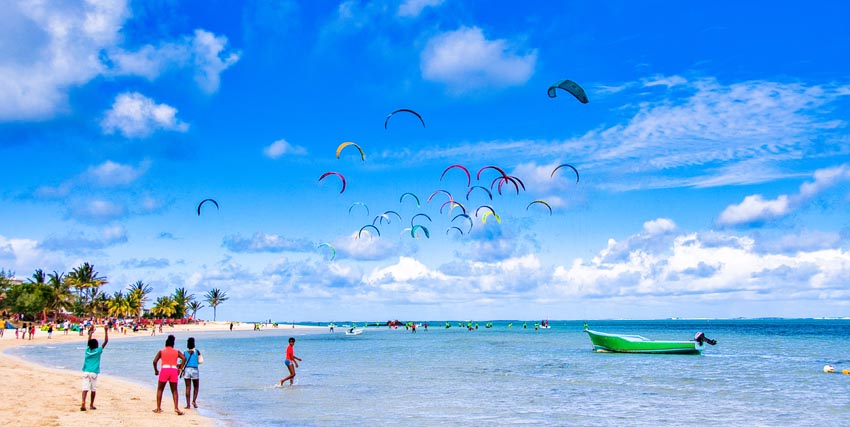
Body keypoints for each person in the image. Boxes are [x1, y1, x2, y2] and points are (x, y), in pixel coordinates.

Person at [152, 334, 186, 415]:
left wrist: (156, 370)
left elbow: (154, 361)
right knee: (174, 390)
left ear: (165, 344)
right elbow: (184, 358)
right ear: (173, 344)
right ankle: (176, 408)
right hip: (174, 370)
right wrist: (180, 368)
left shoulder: (161, 351)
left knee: (160, 389)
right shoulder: (176, 351)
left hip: (164, 370)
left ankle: (159, 408)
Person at [81, 325, 108, 411]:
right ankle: (91, 404)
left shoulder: (87, 350)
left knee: (85, 389)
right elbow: (106, 341)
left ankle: (83, 402)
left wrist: (91, 333)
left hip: (86, 371)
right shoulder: (98, 351)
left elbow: (88, 341)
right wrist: (106, 331)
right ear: (96, 345)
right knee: (93, 389)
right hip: (94, 372)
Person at [182, 337, 202, 409]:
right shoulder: (197, 351)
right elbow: (201, 361)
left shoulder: (184, 352)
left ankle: (188, 405)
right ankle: (194, 401)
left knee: (188, 387)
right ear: (194, 343)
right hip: (195, 370)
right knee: (196, 387)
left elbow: (182, 362)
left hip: (187, 370)